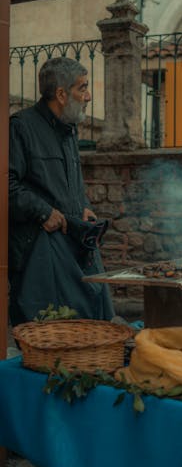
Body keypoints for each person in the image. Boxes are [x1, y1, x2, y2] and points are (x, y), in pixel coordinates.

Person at [8, 56, 114, 325]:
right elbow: (6, 184)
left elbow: (67, 183)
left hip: (74, 242)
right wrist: (43, 212)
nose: (88, 96)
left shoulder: (70, 130)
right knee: (50, 329)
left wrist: (82, 205)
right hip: (39, 251)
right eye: (82, 88)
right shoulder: (21, 127)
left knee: (94, 316)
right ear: (61, 94)